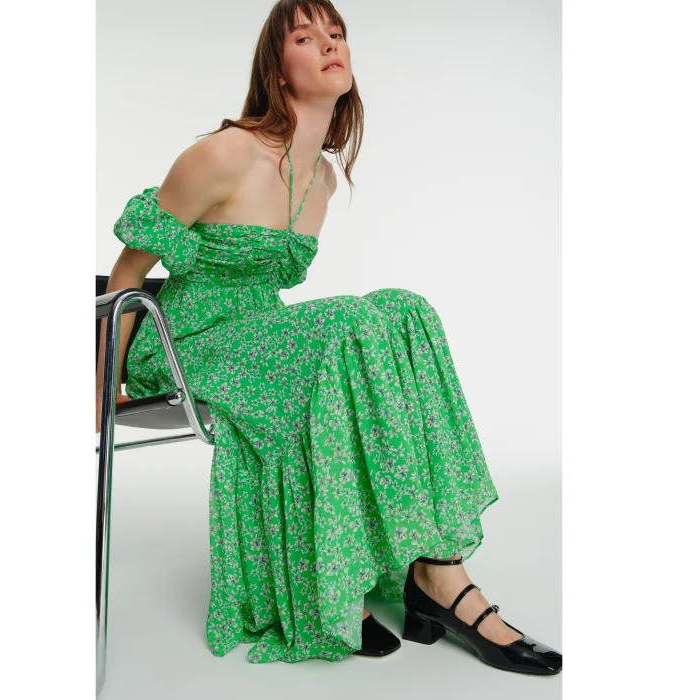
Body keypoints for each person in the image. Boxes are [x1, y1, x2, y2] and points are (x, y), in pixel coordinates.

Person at [96, 0, 561, 674]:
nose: (328, 44)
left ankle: (437, 564)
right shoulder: (223, 153)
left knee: (405, 310)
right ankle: (419, 585)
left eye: (336, 33)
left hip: (258, 334)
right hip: (185, 343)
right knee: (351, 322)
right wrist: (102, 383)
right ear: (277, 68)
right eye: (306, 36)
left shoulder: (322, 178)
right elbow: (127, 276)